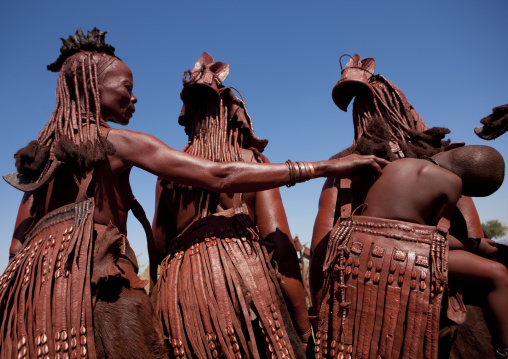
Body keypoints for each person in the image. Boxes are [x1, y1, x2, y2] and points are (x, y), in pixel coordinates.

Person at [0, 29, 388, 359]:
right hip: (107, 285)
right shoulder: (118, 142)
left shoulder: (40, 155)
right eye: (127, 89)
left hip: (32, 295)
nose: (134, 99)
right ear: (91, 87)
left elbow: (19, 247)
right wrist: (322, 167)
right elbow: (221, 176)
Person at [152, 53, 312, 358]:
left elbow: (160, 244)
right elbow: (280, 248)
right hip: (248, 291)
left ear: (190, 118)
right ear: (231, 116)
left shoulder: (169, 174)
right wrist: (302, 329)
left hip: (183, 299)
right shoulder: (252, 162)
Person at [314, 144, 506, 359]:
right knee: (498, 274)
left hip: (363, 252)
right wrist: (474, 244)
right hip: (407, 255)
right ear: (468, 187)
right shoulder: (451, 182)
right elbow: (436, 240)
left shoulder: (395, 165)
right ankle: (504, 349)